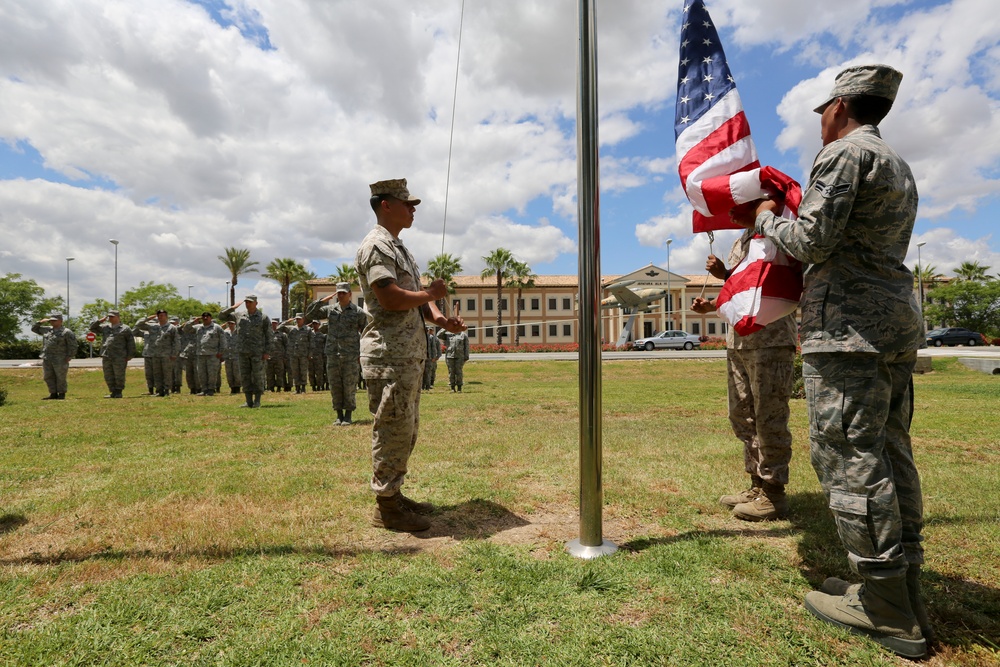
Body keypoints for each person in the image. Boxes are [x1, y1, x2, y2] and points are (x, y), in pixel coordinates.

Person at [730, 65, 928, 658]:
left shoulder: (844, 155)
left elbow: (813, 240)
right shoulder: (897, 162)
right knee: (891, 449)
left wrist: (766, 217)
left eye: (823, 109)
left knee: (849, 452)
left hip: (848, 328)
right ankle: (900, 581)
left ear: (840, 106)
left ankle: (886, 603)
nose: (820, 118)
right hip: (889, 321)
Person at [355, 178, 465, 531]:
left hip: (406, 353)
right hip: (389, 354)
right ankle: (386, 508)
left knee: (406, 428)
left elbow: (415, 298)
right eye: (407, 203)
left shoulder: (399, 249)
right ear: (385, 205)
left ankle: (394, 494)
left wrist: (441, 319)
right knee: (392, 427)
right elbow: (391, 299)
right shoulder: (376, 247)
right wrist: (430, 293)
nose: (413, 209)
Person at [691, 234, 797, 521]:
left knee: (769, 417)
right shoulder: (740, 243)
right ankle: (757, 485)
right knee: (742, 415)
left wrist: (725, 274)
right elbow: (742, 291)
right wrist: (713, 304)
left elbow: (773, 284)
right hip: (738, 340)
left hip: (769, 339)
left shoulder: (776, 236)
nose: (731, 210)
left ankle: (774, 492)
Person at [305, 282, 368, 425]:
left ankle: (348, 415)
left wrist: (362, 353)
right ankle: (339, 414)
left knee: (349, 384)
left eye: (343, 293)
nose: (340, 295)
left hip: (351, 354)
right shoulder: (329, 310)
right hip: (333, 353)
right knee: (335, 384)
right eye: (338, 293)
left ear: (350, 294)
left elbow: (365, 333)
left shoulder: (358, 312)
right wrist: (321, 301)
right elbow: (310, 315)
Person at [220, 295, 273, 408]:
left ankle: (257, 400)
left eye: (250, 302)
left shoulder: (263, 317)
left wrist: (267, 351)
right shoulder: (239, 315)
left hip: (257, 352)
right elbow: (221, 316)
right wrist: (233, 307)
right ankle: (248, 401)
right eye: (246, 302)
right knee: (245, 376)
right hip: (242, 351)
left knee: (258, 376)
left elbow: (269, 336)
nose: (247, 304)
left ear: (256, 303)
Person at [89, 310, 137, 398]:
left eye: (112, 316)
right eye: (109, 317)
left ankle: (119, 391)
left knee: (119, 374)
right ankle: (112, 391)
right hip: (107, 354)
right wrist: (99, 321)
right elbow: (92, 328)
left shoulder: (125, 328)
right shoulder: (105, 327)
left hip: (120, 355)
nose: (110, 318)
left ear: (118, 317)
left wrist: (130, 355)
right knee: (108, 374)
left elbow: (130, 342)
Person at [134, 310, 180, 397]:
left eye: (163, 315)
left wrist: (174, 354)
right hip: (154, 354)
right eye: (159, 315)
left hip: (166, 354)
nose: (161, 317)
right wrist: (147, 318)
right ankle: (159, 391)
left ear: (166, 316)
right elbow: (138, 325)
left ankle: (166, 390)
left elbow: (176, 341)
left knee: (166, 373)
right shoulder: (153, 327)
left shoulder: (171, 328)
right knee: (157, 373)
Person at [31, 313, 77, 400]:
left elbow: (73, 345)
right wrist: (40, 322)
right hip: (47, 357)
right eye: (51, 320)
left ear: (60, 321)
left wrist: (70, 355)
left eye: (54, 320)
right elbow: (34, 329)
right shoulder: (47, 330)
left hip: (60, 358)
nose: (52, 322)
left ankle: (61, 393)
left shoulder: (66, 332)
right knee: (48, 376)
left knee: (60, 376)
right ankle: (53, 393)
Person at [183, 312, 227, 396]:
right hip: (200, 354)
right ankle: (204, 389)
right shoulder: (198, 327)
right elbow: (186, 329)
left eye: (207, 316)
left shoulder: (216, 327)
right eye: (203, 317)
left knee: (212, 373)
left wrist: (221, 352)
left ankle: (211, 389)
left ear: (211, 317)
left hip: (213, 354)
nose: (205, 318)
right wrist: (192, 321)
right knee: (201, 373)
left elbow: (223, 341)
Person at [280, 313, 311, 394]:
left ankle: (303, 388)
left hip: (304, 354)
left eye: (299, 319)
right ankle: (297, 388)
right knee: (295, 371)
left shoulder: (308, 330)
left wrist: (310, 354)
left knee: (303, 371)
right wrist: (287, 321)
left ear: (303, 319)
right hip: (293, 354)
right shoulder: (291, 329)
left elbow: (312, 343)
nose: (298, 320)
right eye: (296, 319)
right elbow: (279, 328)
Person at [437, 327, 469, 392]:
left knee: (459, 372)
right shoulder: (448, 334)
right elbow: (438, 335)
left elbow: (466, 346)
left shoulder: (463, 335)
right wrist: (446, 327)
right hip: (449, 356)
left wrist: (466, 356)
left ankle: (459, 387)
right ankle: (452, 387)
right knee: (451, 372)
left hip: (459, 356)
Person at [178, 316, 201, 394]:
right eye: (193, 321)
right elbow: (181, 329)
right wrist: (191, 322)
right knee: (189, 373)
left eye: (196, 321)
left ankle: (199, 388)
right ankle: (192, 389)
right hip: (187, 354)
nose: (194, 322)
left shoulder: (201, 329)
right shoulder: (186, 330)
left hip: (197, 353)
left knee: (197, 372)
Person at [267, 319, 289, 392]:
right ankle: (271, 387)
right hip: (269, 357)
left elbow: (286, 346)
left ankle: (279, 387)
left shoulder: (282, 335)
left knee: (280, 373)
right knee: (270, 373)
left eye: (275, 323)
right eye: (272, 323)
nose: (273, 325)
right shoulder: (267, 334)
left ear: (277, 324)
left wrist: (285, 356)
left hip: (279, 357)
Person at [223, 320, 242, 394]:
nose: (231, 325)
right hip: (228, 356)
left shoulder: (238, 332)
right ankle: (232, 387)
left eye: (232, 323)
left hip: (236, 356)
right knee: (229, 373)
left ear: (235, 324)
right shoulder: (225, 333)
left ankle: (237, 387)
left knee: (237, 373)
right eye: (229, 323)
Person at [308, 320, 327, 391]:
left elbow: (325, 346)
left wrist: (324, 355)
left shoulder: (322, 335)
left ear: (319, 325)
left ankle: (320, 386)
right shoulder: (309, 334)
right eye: (313, 324)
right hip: (310, 356)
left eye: (316, 324)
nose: (314, 325)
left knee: (319, 372)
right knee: (311, 372)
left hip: (319, 356)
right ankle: (313, 386)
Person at [422, 326, 441, 390]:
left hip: (431, 358)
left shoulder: (434, 338)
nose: (430, 331)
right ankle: (424, 385)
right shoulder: (424, 337)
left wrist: (436, 356)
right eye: (429, 330)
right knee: (424, 372)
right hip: (424, 358)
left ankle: (429, 385)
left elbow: (437, 348)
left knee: (431, 372)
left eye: (431, 330)